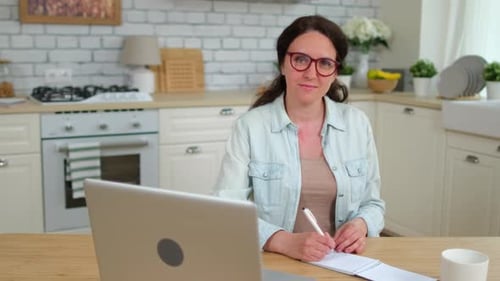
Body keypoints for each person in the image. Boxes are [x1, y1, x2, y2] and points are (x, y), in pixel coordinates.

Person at [214, 15, 385, 262]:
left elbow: (374, 204)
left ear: (335, 71)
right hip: (277, 263)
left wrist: (361, 225)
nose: (311, 73)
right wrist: (284, 241)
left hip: (346, 263)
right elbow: (225, 211)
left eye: (324, 63)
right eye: (301, 60)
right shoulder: (250, 127)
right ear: (282, 64)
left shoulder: (357, 124)